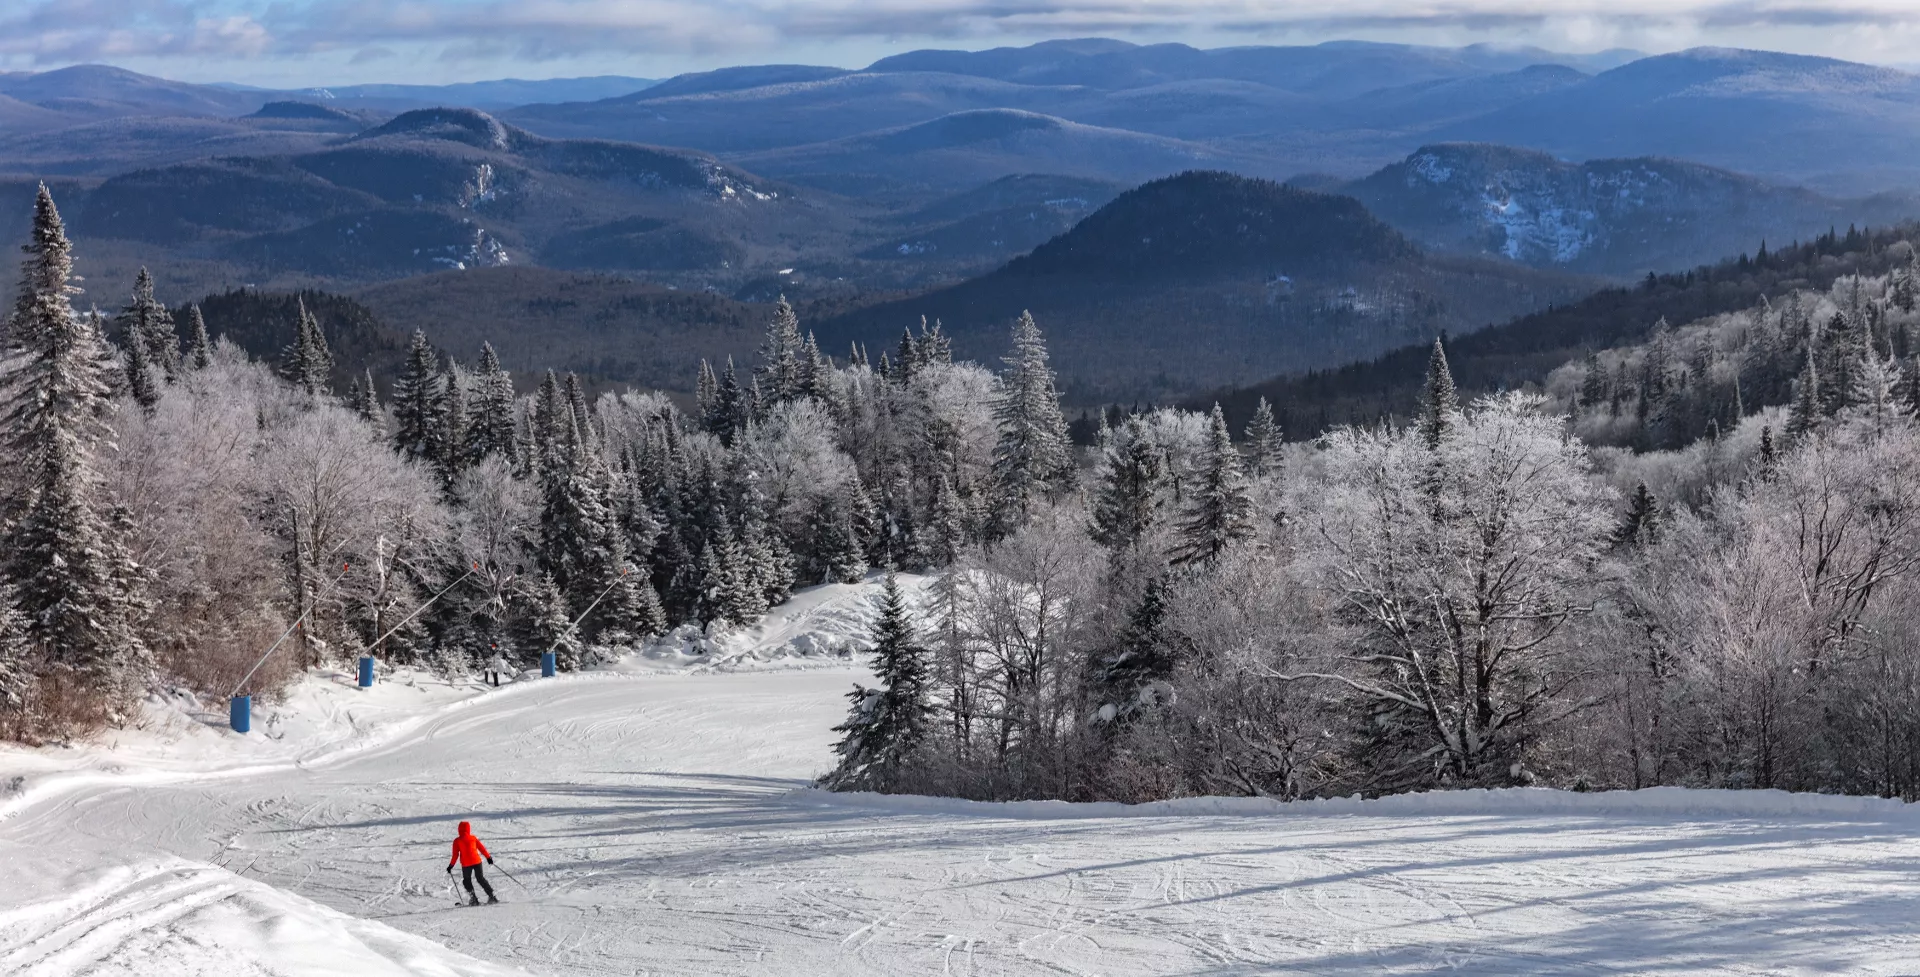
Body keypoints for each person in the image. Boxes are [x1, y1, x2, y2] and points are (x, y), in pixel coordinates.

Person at [446, 820, 498, 905]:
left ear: (459, 829)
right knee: (480, 879)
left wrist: (450, 866)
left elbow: (455, 855)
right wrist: (488, 858)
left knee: (467, 881)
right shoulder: (473, 838)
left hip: (466, 864)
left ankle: (474, 899)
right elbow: (482, 849)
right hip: (477, 861)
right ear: (468, 829)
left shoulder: (457, 841)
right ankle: (492, 896)